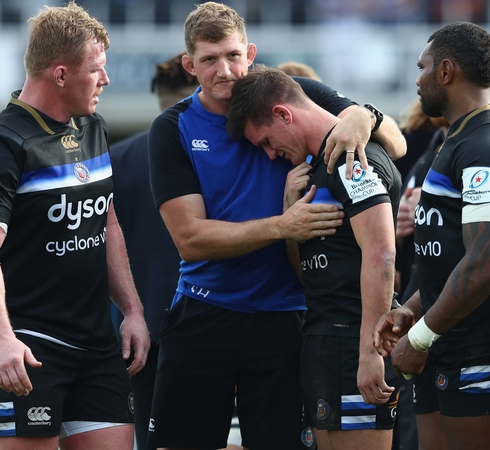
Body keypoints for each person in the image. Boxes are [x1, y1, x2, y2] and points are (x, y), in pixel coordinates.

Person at [146, 3, 406, 449]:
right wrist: (283, 224)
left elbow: (396, 144)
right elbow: (190, 240)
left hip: (286, 320)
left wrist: (365, 117)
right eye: (209, 60)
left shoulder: (291, 92)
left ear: (250, 53)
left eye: (231, 56)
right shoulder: (173, 128)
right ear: (190, 65)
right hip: (206, 311)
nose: (224, 71)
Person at [0, 2, 150, 449]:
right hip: (26, 348)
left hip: (97, 346)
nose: (106, 79)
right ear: (60, 75)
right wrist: (2, 340)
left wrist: (133, 311)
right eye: (96, 69)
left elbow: (108, 222)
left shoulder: (93, 126)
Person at [373, 22, 490, 450]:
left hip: (481, 338)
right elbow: (449, 254)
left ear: (446, 71)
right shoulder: (458, 136)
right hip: (442, 330)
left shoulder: (488, 144)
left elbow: (483, 264)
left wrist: (421, 335)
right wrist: (410, 309)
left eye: (422, 66)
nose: (417, 78)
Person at [227, 64, 403, 450]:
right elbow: (310, 274)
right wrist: (289, 215)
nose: (272, 155)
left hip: (354, 341)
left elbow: (382, 253)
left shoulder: (350, 157)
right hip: (324, 340)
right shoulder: (315, 170)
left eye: (267, 142)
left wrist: (369, 353)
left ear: (283, 114)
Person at [108, 52, 197, 450]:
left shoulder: (116, 160)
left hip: (137, 328)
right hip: (205, 320)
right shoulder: (208, 154)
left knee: (149, 438)